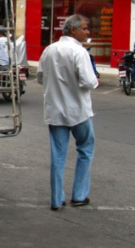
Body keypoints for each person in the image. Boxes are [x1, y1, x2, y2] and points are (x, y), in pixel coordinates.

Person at [37, 14, 100, 211]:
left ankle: (56, 199)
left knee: (58, 155)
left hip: (55, 111)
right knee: (85, 149)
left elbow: (40, 77)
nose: (87, 32)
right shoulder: (79, 52)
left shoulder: (49, 50)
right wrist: (95, 80)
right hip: (78, 112)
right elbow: (89, 82)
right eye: (85, 28)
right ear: (73, 30)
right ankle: (79, 195)